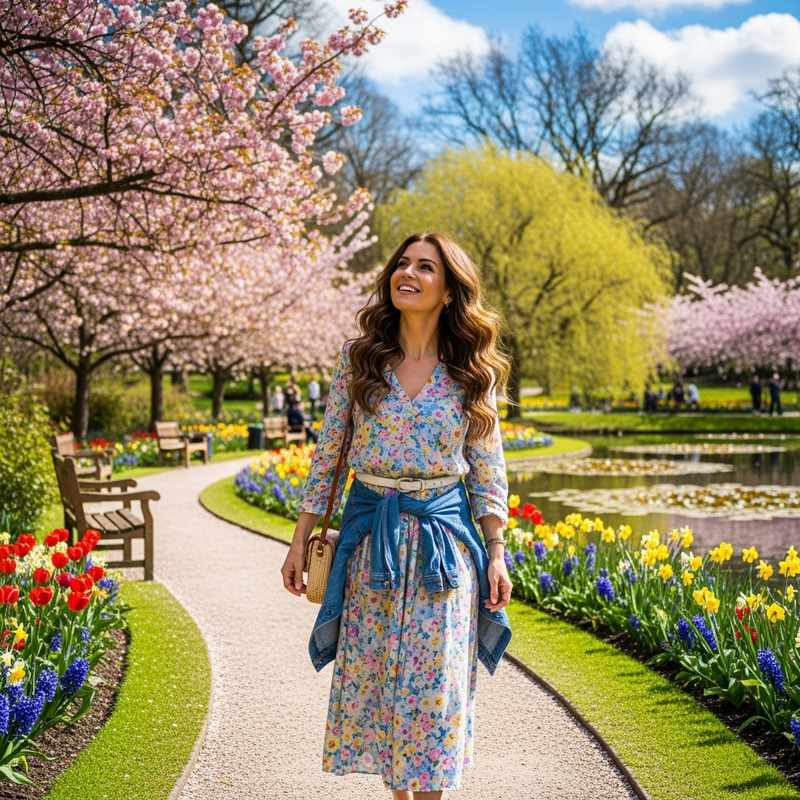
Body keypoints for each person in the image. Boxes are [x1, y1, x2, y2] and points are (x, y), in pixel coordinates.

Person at [280, 232, 513, 799]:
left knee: (432, 691)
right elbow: (330, 454)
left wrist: (498, 553)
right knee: (382, 681)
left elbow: (488, 470)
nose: (408, 273)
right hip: (371, 548)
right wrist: (299, 540)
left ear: (450, 290)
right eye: (402, 264)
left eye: (425, 267)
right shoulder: (359, 361)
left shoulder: (470, 373)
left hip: (443, 552)